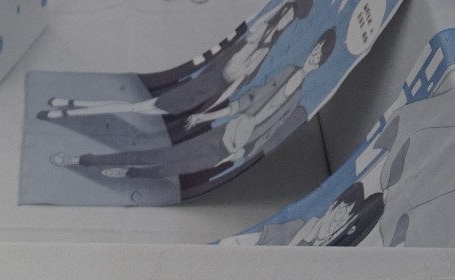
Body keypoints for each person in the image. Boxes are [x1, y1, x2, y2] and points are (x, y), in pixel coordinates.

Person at [49, 29, 336, 183]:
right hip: (220, 132)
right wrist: (206, 117)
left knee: (168, 170)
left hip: (230, 150)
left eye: (317, 57)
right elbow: (244, 102)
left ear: (320, 63)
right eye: (314, 51)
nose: (312, 58)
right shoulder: (285, 70)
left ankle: (131, 173)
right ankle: (84, 159)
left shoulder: (298, 97)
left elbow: (271, 130)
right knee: (160, 154)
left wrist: (241, 154)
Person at [38, 0, 311, 124]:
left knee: (138, 107)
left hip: (204, 82)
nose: (286, 18)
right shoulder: (258, 32)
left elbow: (236, 82)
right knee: (137, 105)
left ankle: (70, 108)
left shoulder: (265, 46)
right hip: (199, 73)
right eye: (287, 13)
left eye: (290, 16)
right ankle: (70, 108)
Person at [254, 181, 385, 245]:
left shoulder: (338, 241)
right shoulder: (299, 226)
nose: (338, 221)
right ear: (332, 207)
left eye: (345, 219)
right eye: (339, 213)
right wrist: (308, 236)